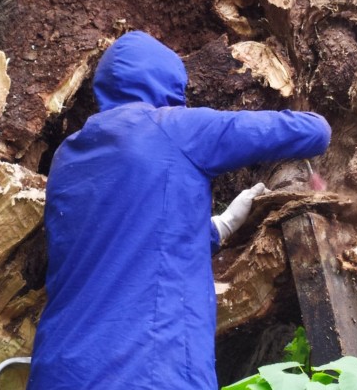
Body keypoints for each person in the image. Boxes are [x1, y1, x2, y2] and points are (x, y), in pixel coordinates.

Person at [28, 31, 331, 389]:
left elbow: (121, 243)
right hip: (148, 370)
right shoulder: (173, 127)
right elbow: (312, 131)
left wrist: (222, 226)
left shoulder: (68, 156)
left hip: (57, 370)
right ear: (168, 82)